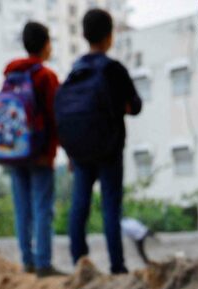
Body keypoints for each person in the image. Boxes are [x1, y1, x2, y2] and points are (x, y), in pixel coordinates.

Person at [63, 9, 142, 274]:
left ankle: (78, 262)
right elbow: (135, 105)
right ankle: (117, 265)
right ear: (110, 36)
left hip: (81, 151)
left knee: (79, 205)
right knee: (110, 207)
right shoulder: (113, 69)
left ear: (84, 35)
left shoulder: (75, 71)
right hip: (109, 149)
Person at [3, 22, 62, 277]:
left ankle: (26, 260)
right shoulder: (46, 77)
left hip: (15, 151)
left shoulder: (11, 75)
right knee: (42, 208)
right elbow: (55, 115)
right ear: (46, 44)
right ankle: (43, 263)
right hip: (40, 153)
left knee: (22, 208)